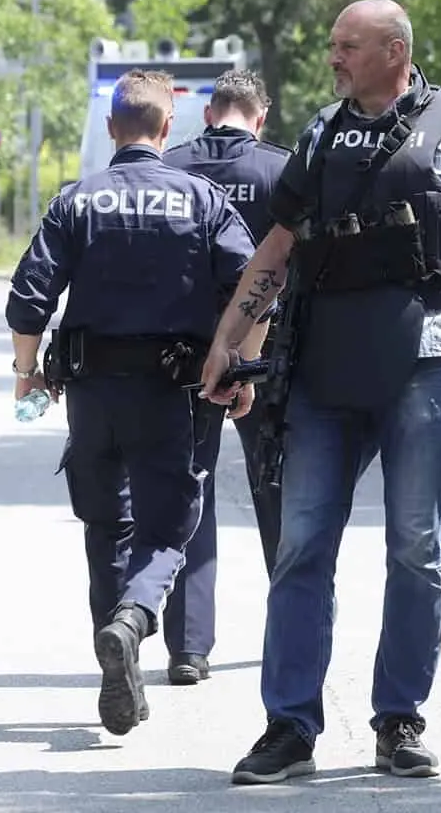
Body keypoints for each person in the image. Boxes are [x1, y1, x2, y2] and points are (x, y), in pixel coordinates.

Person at [201, 0, 441, 785]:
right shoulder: (322, 131)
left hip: (425, 360)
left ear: (394, 50)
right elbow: (276, 250)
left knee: (416, 549)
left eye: (347, 45)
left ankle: (399, 720)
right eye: (333, 45)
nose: (334, 57)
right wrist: (228, 344)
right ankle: (289, 727)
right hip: (324, 367)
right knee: (300, 547)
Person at [7, 69, 260, 737]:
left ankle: (118, 660)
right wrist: (237, 362)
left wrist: (26, 373)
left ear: (113, 128)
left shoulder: (77, 201)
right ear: (167, 127)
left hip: (91, 392)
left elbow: (28, 298)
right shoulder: (200, 200)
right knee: (168, 530)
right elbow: (256, 284)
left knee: (105, 529)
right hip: (172, 395)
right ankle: (133, 620)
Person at [157, 69, 294, 685]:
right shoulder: (282, 169)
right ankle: (295, 626)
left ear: (209, 113)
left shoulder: (174, 165)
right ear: (258, 117)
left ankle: (188, 647)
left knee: (193, 489)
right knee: (279, 489)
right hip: (270, 356)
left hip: (185, 354)